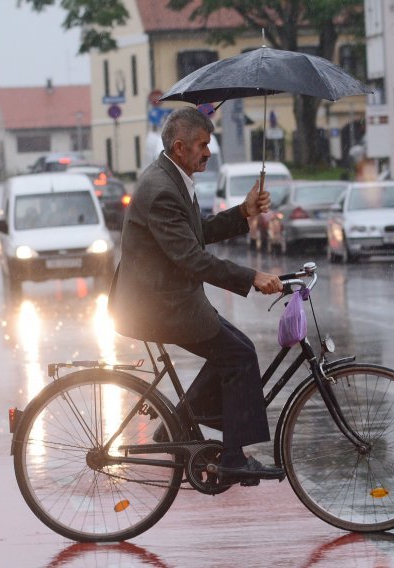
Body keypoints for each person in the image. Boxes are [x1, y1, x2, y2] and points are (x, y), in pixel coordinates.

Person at [108, 107, 285, 485]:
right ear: (180, 146)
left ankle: (177, 424)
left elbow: (195, 234)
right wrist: (252, 276)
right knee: (239, 356)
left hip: (168, 300)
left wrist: (243, 212)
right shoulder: (162, 191)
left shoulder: (173, 179)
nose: (207, 152)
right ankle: (233, 457)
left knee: (235, 348)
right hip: (159, 306)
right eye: (202, 145)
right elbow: (192, 258)